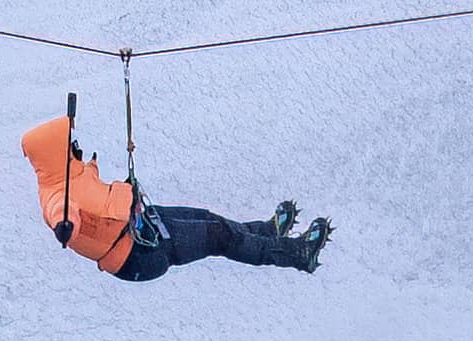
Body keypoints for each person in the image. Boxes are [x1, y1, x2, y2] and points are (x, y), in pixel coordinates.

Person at [20, 113, 330, 280]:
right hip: (139, 254)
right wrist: (65, 226)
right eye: (71, 143)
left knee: (209, 220)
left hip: (141, 225)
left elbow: (89, 189)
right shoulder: (57, 194)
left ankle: (267, 232)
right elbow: (62, 212)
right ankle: (297, 254)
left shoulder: (70, 174)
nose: (77, 146)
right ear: (56, 152)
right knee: (217, 236)